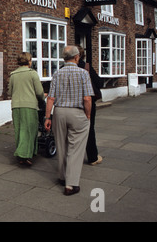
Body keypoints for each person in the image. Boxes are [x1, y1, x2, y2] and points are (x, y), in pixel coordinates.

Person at [44, 46, 94, 196]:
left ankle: (62, 176)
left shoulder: (57, 73)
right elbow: (87, 98)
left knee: (61, 145)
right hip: (77, 112)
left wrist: (47, 117)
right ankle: (71, 184)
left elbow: (50, 98)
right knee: (75, 148)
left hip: (59, 112)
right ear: (77, 57)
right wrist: (88, 114)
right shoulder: (83, 73)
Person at [8, 52, 45, 166]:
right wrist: (43, 99)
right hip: (29, 106)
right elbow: (39, 92)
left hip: (16, 106)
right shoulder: (32, 74)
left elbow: (10, 92)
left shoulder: (13, 75)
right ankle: (25, 155)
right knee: (30, 130)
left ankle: (22, 154)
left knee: (19, 131)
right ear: (29, 61)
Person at [76, 46, 103, 166]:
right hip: (87, 102)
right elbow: (99, 83)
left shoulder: (63, 68)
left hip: (71, 104)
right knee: (89, 129)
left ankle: (73, 157)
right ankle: (92, 157)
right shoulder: (86, 67)